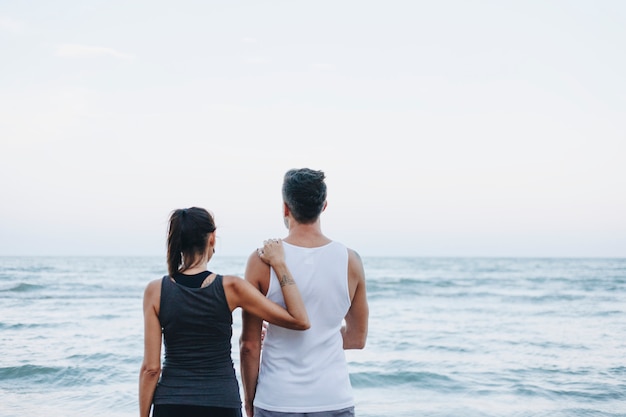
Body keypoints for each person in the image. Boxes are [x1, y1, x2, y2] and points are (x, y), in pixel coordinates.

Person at [139, 207, 310, 417]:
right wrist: (279, 264)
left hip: (171, 404)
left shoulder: (155, 291)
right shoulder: (231, 287)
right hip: (221, 403)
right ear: (212, 239)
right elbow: (299, 319)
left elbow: (151, 369)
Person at [239, 168, 369, 417]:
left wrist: (249, 401)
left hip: (277, 399)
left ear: (286, 208)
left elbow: (250, 345)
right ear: (324, 206)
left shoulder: (261, 260)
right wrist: (323, 337)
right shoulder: (350, 260)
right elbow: (356, 339)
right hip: (333, 399)